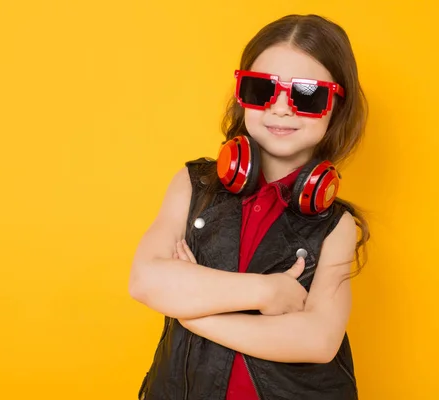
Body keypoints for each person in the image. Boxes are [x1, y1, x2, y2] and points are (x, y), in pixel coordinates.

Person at [129, 13, 370, 400]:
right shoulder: (194, 185)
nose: (280, 108)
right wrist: (266, 292)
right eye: (262, 89)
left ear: (336, 108)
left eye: (306, 94)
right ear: (242, 96)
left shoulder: (335, 224)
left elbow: (317, 340)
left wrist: (193, 312)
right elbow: (145, 281)